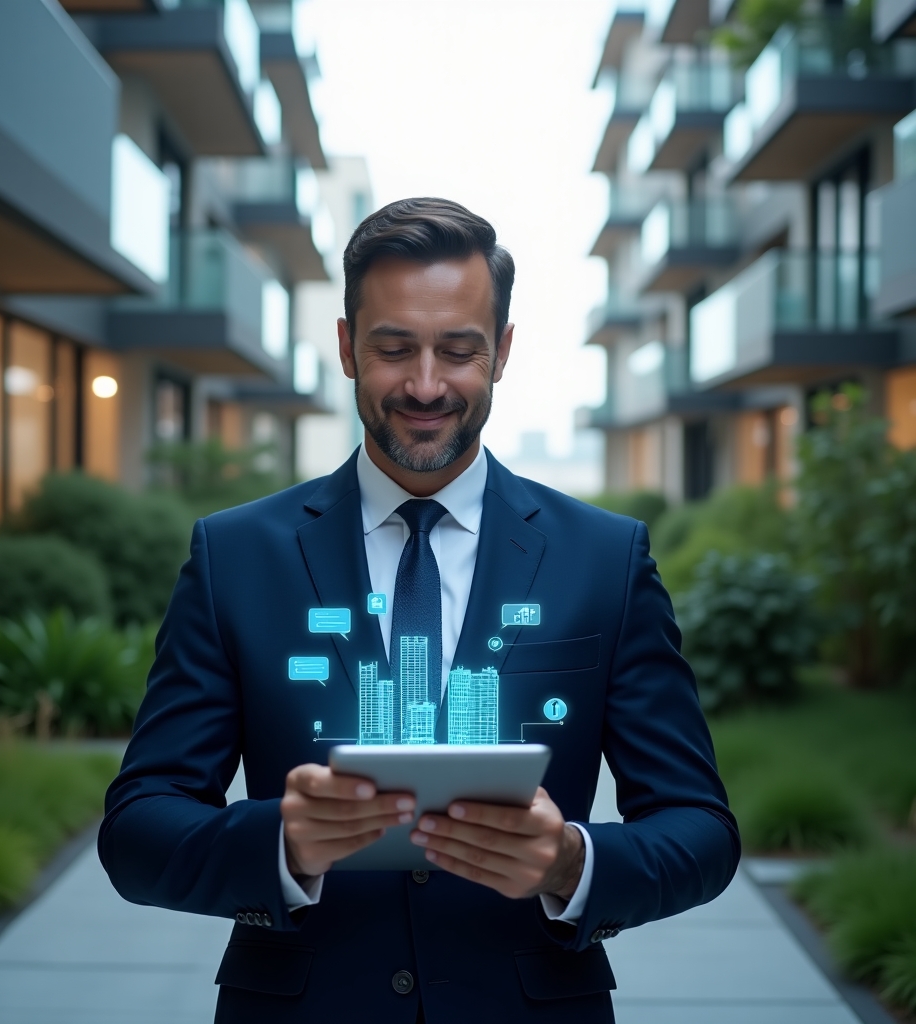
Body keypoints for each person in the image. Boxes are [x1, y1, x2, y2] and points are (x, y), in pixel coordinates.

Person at [99, 198, 740, 1023]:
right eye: (395, 348)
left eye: (459, 351)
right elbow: (138, 832)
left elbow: (701, 832)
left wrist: (569, 863)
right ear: (345, 347)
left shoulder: (605, 559)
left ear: (502, 352)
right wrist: (281, 843)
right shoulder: (236, 555)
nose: (426, 385)